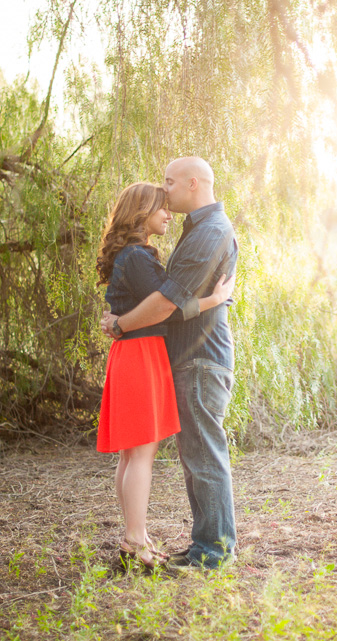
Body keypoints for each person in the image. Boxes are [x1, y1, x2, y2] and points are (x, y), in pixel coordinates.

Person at [101, 157, 239, 570]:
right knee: (182, 456)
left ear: (192, 183)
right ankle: (194, 547)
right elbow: (160, 299)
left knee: (201, 456)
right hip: (166, 358)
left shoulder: (210, 231)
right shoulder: (189, 233)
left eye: (169, 184)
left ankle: (211, 553)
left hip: (199, 359)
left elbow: (164, 302)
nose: (166, 193)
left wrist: (121, 323)